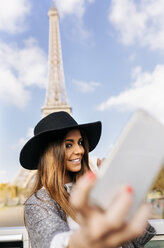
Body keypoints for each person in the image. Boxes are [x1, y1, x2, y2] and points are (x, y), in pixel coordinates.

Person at [19, 111, 155, 248]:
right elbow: (50, 240)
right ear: (50, 153)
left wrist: (121, 191)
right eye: (68, 145)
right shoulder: (38, 202)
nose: (80, 150)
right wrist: (80, 241)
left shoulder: (93, 189)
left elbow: (139, 239)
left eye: (80, 142)